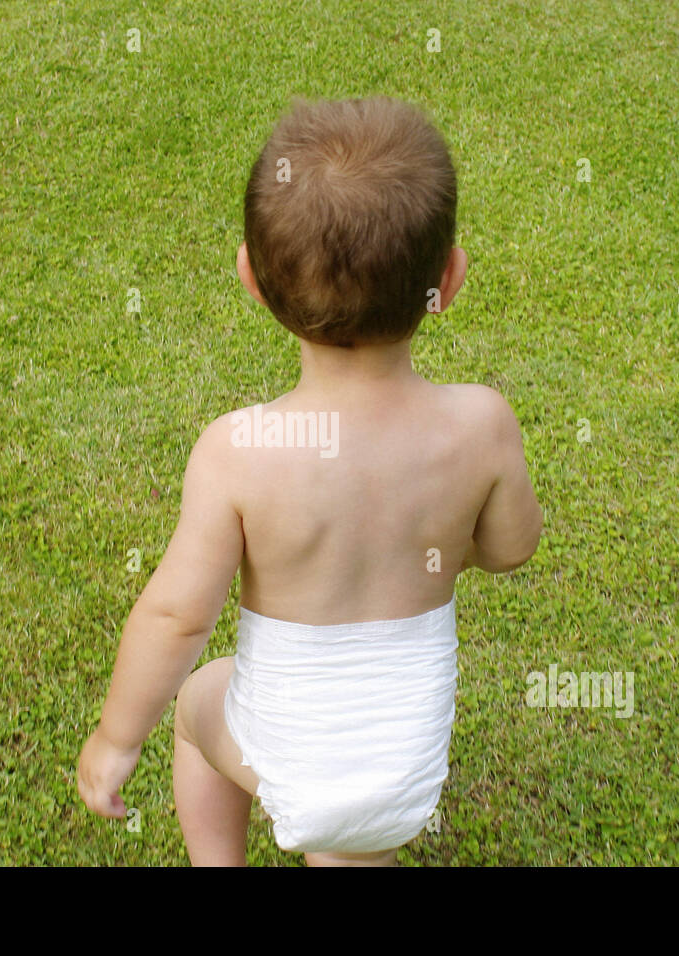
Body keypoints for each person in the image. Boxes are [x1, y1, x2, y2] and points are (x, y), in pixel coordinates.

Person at [77, 96, 543, 866]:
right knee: (351, 840)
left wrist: (115, 737)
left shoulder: (241, 450)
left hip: (289, 758)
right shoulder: (482, 425)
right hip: (403, 779)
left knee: (200, 711)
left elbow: (175, 618)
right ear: (449, 280)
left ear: (250, 281)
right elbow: (510, 549)